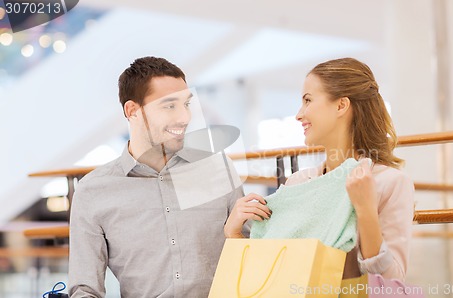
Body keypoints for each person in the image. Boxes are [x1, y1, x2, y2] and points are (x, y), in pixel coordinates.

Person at [69, 56, 249, 297]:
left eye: (186, 104)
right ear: (132, 110)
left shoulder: (218, 169)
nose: (184, 117)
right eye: (169, 106)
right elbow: (84, 288)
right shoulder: (93, 191)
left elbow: (251, 259)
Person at [224, 57, 414, 281]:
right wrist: (234, 233)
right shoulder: (298, 183)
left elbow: (393, 285)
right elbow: (267, 276)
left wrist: (365, 211)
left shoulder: (389, 182)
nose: (298, 114)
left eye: (308, 100)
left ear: (341, 105)